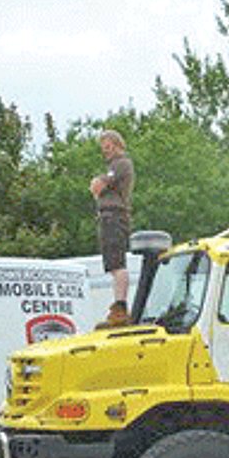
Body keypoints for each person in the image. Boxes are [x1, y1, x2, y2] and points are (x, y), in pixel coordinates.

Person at [89, 129, 135, 328]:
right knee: (113, 263)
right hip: (109, 217)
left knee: (117, 263)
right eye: (103, 148)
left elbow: (98, 185)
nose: (105, 152)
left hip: (114, 216)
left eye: (108, 147)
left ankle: (121, 307)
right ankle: (119, 305)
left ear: (117, 145)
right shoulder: (114, 166)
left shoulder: (121, 164)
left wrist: (98, 184)